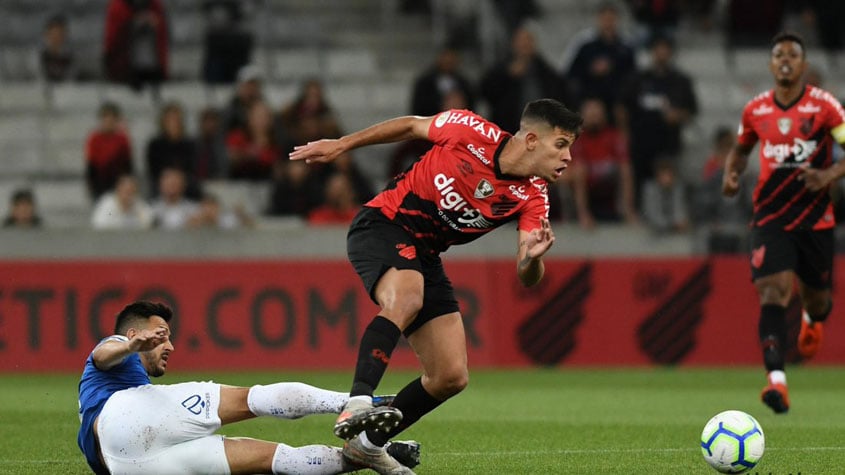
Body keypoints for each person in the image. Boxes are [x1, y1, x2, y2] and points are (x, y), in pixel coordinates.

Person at [290, 98, 582, 474]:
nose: (569, 157)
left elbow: (527, 275)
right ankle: (359, 400)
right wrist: (343, 144)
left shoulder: (533, 196)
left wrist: (534, 258)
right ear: (530, 141)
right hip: (384, 223)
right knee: (407, 296)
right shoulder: (470, 130)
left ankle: (367, 445)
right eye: (561, 145)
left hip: (424, 254)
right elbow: (412, 125)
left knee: (450, 376)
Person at [77, 300, 420, 475]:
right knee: (250, 399)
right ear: (134, 334)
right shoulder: (118, 350)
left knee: (272, 460)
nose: (169, 345)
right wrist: (132, 346)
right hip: (122, 421)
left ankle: (371, 456)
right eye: (161, 335)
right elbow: (103, 353)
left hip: (123, 467)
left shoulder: (110, 384)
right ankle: (358, 403)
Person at [722, 31, 845, 414]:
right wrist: (731, 174)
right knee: (772, 291)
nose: (786, 59)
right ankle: (777, 381)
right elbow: (740, 150)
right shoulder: (755, 110)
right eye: (778, 54)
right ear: (772, 64)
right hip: (771, 217)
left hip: (815, 218)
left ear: (804, 64)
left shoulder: (826, 108)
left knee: (819, 301)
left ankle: (812, 318)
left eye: (793, 54)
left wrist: (829, 176)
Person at [617, 34, 698, 203]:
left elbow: (692, 110)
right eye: (658, 49)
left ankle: (668, 213)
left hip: (668, 141)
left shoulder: (680, 81)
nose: (662, 53)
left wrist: (678, 115)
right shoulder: (638, 79)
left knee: (668, 179)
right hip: (640, 140)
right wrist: (624, 133)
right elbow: (622, 106)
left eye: (665, 49)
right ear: (652, 52)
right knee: (639, 179)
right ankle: (638, 211)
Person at [568, 97, 638, 229]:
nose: (594, 118)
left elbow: (624, 162)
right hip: (586, 181)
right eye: (590, 115)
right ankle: (583, 214)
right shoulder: (577, 139)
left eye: (597, 114)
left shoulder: (613, 136)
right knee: (577, 171)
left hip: (607, 179)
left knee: (626, 169)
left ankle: (627, 209)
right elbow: (575, 165)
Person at [85, 102, 134, 200]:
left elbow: (127, 165)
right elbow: (92, 166)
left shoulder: (122, 139)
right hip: (100, 184)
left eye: (112, 119)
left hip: (118, 183)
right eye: (106, 118)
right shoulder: (94, 139)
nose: (109, 122)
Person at [40, 13, 75, 83]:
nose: (56, 38)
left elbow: (71, 80)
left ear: (65, 35)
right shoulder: (39, 57)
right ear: (47, 35)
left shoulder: (71, 58)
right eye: (53, 34)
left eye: (59, 34)